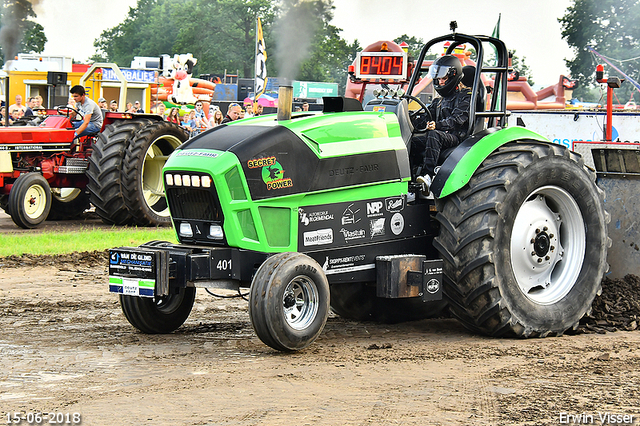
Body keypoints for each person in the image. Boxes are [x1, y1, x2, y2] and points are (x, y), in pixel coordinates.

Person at [410, 54, 470, 194]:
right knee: (412, 141)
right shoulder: (439, 100)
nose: (441, 82)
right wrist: (411, 119)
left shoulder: (465, 96)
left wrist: (437, 125)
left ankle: (427, 176)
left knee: (433, 135)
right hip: (440, 134)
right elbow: (426, 116)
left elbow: (457, 120)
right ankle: (410, 179)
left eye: (444, 79)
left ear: (453, 76)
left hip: (457, 138)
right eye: (439, 79)